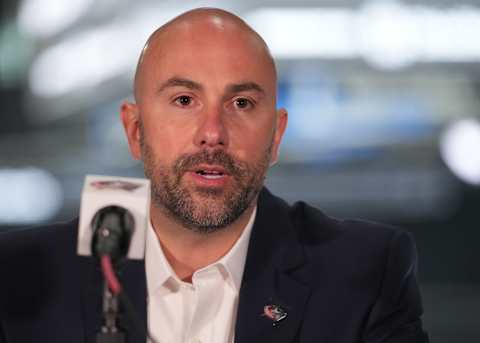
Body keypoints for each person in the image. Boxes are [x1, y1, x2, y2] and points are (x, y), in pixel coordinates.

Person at [0, 7, 429, 343]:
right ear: (134, 130)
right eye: (184, 100)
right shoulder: (19, 274)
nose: (212, 134)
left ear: (276, 136)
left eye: (241, 103)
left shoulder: (364, 272)